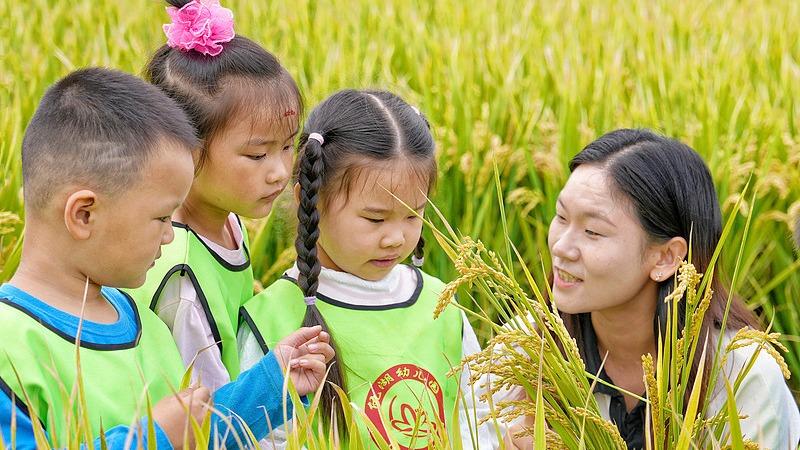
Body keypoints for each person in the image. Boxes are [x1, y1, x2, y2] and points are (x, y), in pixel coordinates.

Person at [0, 67, 333, 449]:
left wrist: (273, 382)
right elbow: (172, 434)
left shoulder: (143, 322)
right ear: (83, 215)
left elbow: (197, 431)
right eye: (161, 217)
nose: (170, 234)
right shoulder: (10, 349)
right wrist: (152, 439)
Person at [503, 128, 799, 449]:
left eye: (592, 231)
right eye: (561, 217)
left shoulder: (741, 377)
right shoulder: (521, 351)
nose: (562, 246)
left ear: (666, 257)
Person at [239, 89, 496, 449]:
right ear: (308, 200)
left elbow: (478, 424)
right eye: (375, 218)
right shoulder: (274, 319)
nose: (395, 238)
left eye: (413, 214)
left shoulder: (441, 305)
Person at [127, 0, 303, 392]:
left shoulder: (225, 217)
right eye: (257, 155)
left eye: (288, 146)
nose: (279, 171)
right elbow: (212, 414)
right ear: (186, 149)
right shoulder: (181, 277)